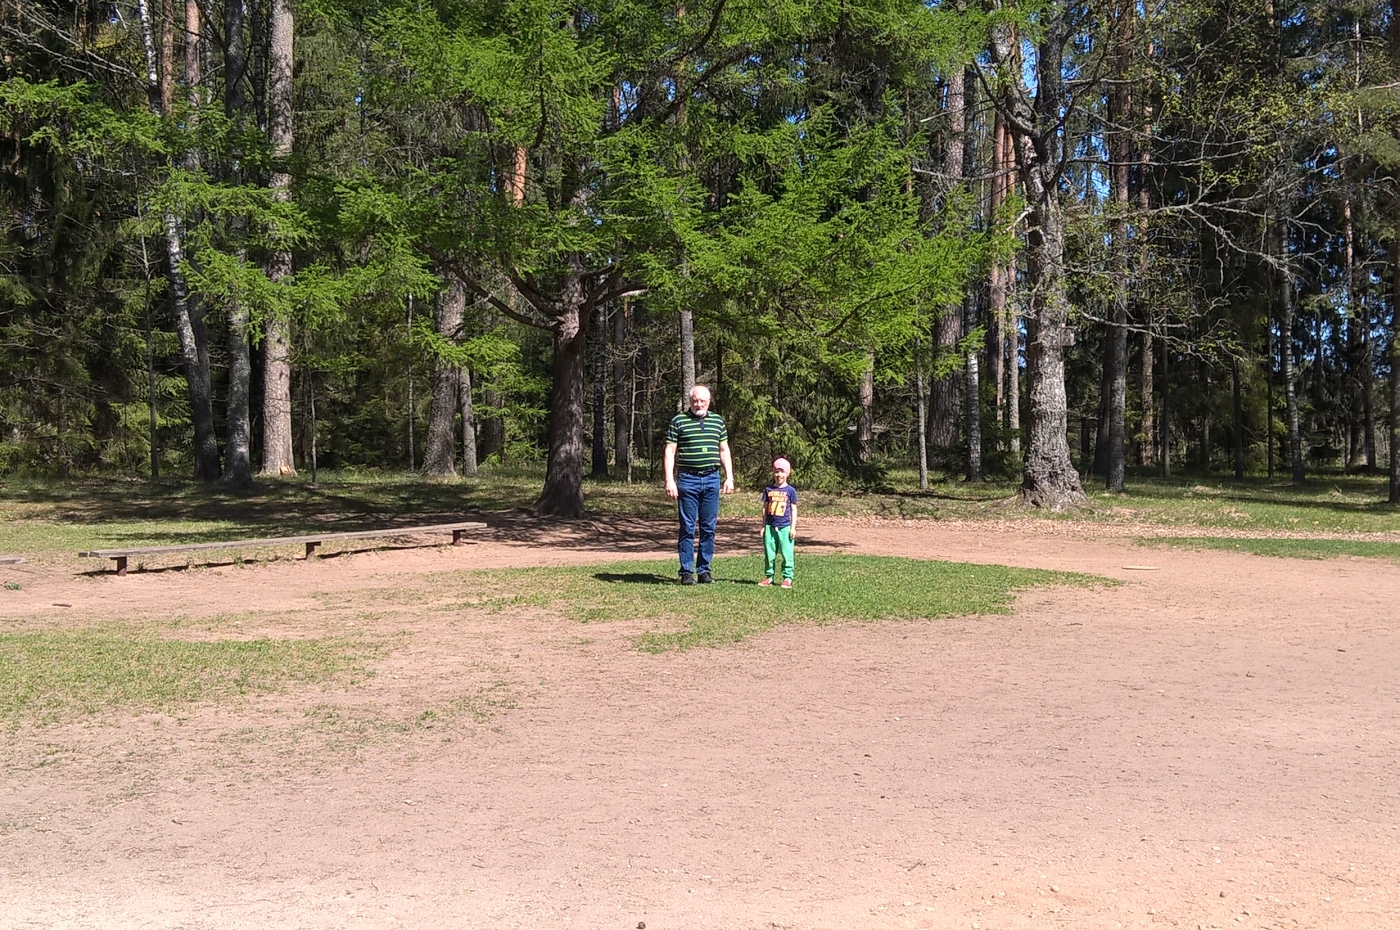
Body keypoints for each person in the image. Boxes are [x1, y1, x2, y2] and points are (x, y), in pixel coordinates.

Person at [664, 384, 734, 584]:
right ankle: (686, 571)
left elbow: (724, 450)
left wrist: (729, 477)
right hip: (687, 479)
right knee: (687, 527)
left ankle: (704, 570)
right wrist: (670, 480)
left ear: (709, 401)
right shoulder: (679, 421)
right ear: (690, 401)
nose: (699, 404)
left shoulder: (717, 421)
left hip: (712, 479)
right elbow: (670, 452)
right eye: (695, 400)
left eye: (703, 400)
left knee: (709, 527)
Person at [758, 457, 798, 588]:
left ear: (787, 473)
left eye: (782, 471)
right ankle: (769, 576)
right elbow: (765, 508)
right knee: (769, 554)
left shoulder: (790, 490)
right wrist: (763, 526)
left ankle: (787, 578)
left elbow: (793, 509)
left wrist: (793, 528)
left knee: (787, 553)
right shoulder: (768, 489)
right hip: (770, 526)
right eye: (776, 471)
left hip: (785, 527)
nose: (779, 475)